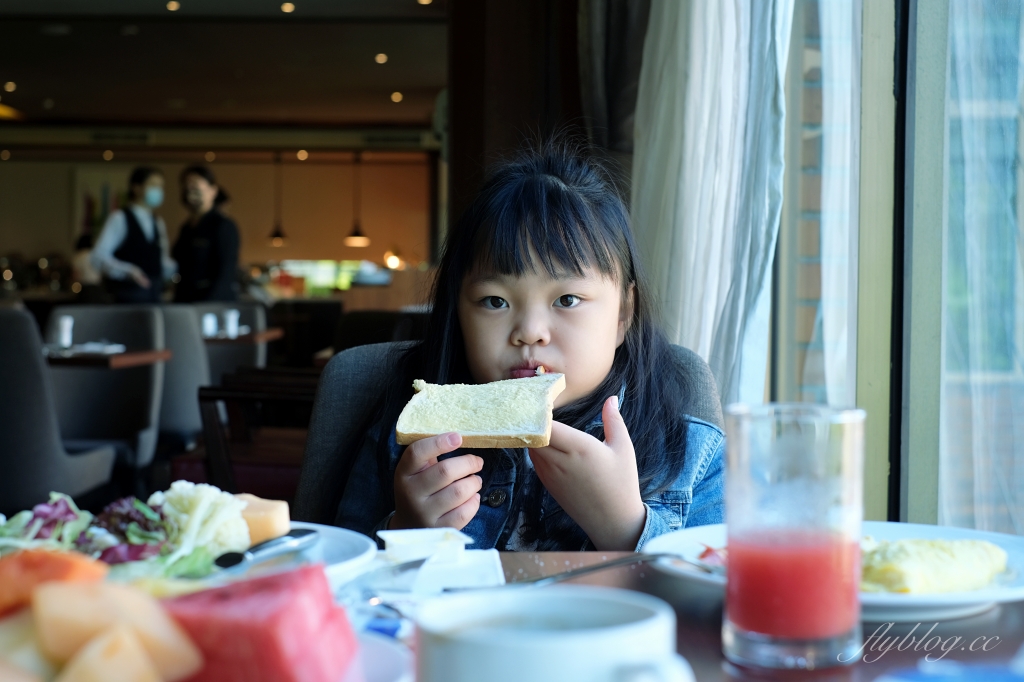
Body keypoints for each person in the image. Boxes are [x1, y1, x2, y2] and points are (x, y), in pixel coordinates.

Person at [335, 142, 724, 551]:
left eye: (567, 300)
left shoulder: (692, 454)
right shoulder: (404, 438)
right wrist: (404, 531)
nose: (530, 332)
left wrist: (625, 527)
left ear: (623, 314)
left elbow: (722, 600)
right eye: (495, 301)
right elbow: (337, 586)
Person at [91, 167, 176, 303]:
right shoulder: (119, 218)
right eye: (153, 185)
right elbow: (98, 257)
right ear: (136, 188)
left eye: (161, 187)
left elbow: (163, 261)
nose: (158, 191)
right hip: (127, 297)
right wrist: (128, 271)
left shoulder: (158, 222)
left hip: (154, 296)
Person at [172, 165, 240, 302]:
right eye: (187, 187)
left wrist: (206, 308)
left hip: (211, 304)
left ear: (213, 191)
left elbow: (225, 275)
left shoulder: (223, 226)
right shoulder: (186, 228)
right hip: (185, 302)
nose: (191, 192)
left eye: (196, 187)